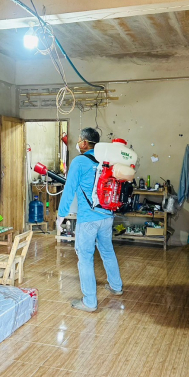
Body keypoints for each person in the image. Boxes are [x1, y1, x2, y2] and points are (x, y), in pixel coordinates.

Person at [57, 128, 123, 312]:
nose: (78, 144)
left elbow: (69, 189)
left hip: (88, 219)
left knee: (85, 258)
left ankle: (90, 302)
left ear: (85, 143)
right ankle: (116, 286)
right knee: (107, 252)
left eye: (79, 140)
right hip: (107, 216)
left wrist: (61, 215)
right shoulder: (106, 161)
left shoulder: (79, 161)